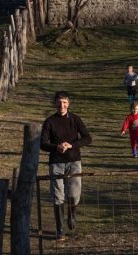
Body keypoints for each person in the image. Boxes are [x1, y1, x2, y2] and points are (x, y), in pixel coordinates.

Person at [41, 91, 92, 241]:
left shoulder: (75, 120)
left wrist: (72, 145)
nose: (61, 105)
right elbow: (43, 143)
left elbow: (88, 138)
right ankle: (60, 229)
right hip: (56, 162)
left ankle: (71, 214)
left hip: (74, 161)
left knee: (74, 193)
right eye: (59, 102)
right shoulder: (49, 122)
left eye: (64, 102)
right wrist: (56, 147)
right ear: (55, 104)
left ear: (68, 104)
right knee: (58, 195)